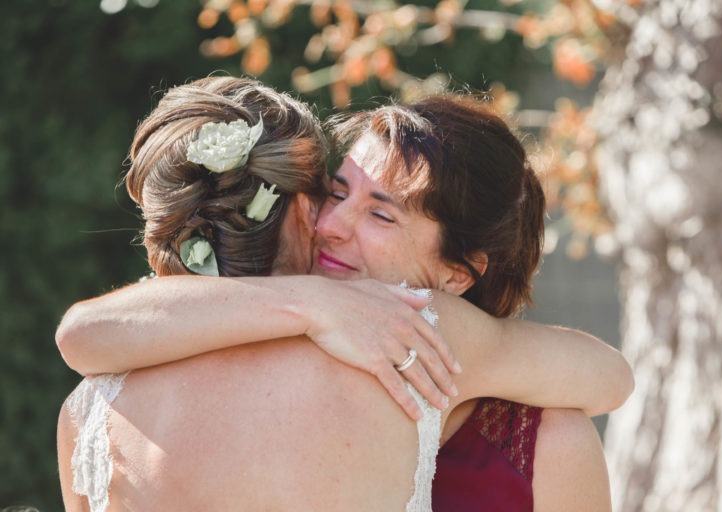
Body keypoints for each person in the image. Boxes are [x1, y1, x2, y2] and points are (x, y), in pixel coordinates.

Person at [57, 77, 631, 511]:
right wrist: (315, 302)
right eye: (337, 191)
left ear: (458, 275)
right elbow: (82, 333)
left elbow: (611, 376)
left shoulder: (537, 435)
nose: (331, 225)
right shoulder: (260, 340)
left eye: (381, 215)